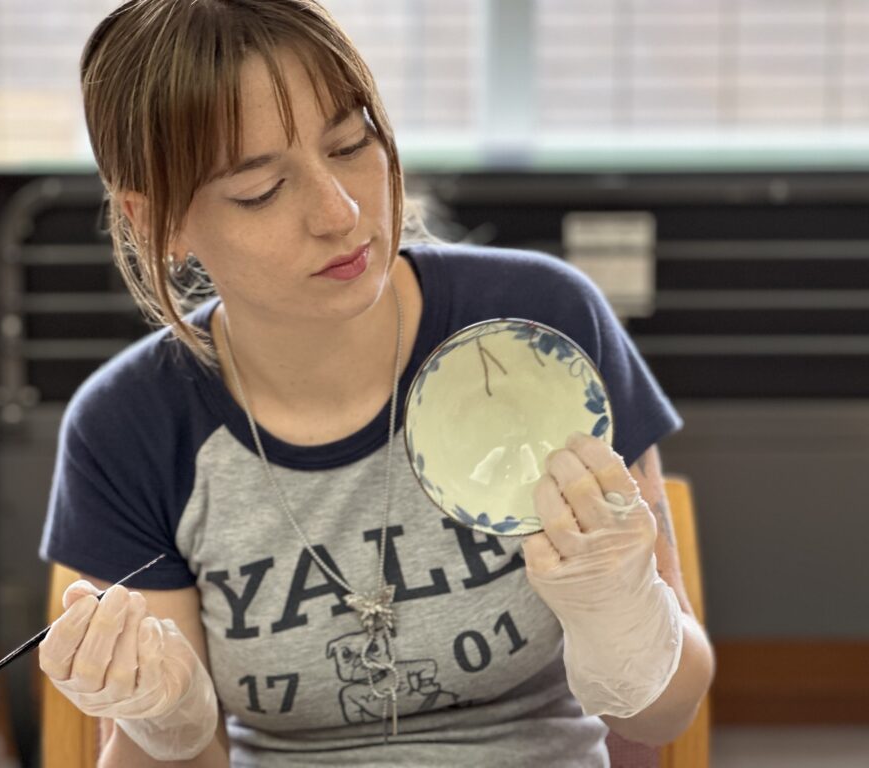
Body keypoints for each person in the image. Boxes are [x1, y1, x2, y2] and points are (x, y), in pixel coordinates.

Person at [38, 1, 715, 765]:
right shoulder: (129, 427)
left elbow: (664, 714)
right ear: (158, 222)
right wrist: (169, 721)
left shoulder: (537, 331)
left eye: (351, 144)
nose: (340, 211)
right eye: (261, 190)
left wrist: (623, 616)